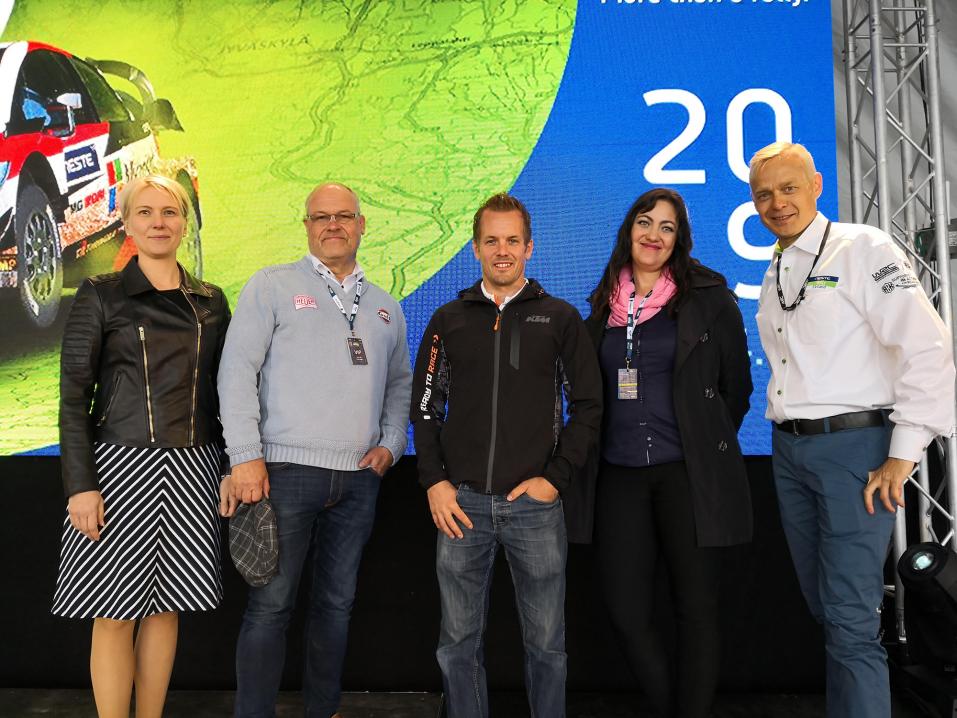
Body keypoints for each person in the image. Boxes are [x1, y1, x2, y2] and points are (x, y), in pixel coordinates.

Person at [751, 141, 956, 718]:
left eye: (789, 188)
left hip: (855, 451)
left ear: (817, 185)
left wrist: (903, 453)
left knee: (849, 619)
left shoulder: (863, 247)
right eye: (764, 195)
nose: (777, 203)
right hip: (791, 452)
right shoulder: (777, 266)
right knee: (827, 610)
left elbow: (928, 348)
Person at [218, 182, 412, 718]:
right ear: (306, 226)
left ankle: (323, 710)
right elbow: (236, 372)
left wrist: (392, 443)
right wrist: (245, 456)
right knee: (271, 606)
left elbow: (400, 383)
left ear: (361, 225)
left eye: (343, 216)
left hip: (358, 480)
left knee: (337, 605)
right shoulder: (272, 286)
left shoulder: (385, 307)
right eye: (320, 217)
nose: (333, 225)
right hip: (283, 473)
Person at [410, 192, 602, 718]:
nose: (502, 251)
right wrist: (435, 481)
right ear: (475, 248)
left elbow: (589, 406)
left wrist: (554, 479)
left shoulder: (560, 319)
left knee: (546, 647)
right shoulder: (447, 320)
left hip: (534, 508)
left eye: (512, 240)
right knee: (457, 645)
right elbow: (425, 407)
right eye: (491, 241)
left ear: (529, 248)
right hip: (462, 507)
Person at [53, 174, 234, 718]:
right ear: (127, 223)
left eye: (170, 212)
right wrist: (80, 487)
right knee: (112, 613)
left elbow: (225, 394)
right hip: (117, 471)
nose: (159, 222)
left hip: (195, 470)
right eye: (146, 212)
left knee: (166, 610)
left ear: (184, 222)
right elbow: (73, 399)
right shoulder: (99, 294)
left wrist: (229, 464)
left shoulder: (212, 301)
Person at [578, 187, 753, 718]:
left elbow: (736, 390)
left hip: (687, 475)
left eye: (667, 227)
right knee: (626, 611)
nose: (653, 235)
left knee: (696, 610)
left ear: (679, 240)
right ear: (628, 230)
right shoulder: (602, 304)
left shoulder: (709, 300)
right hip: (620, 475)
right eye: (645, 222)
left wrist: (702, 440)